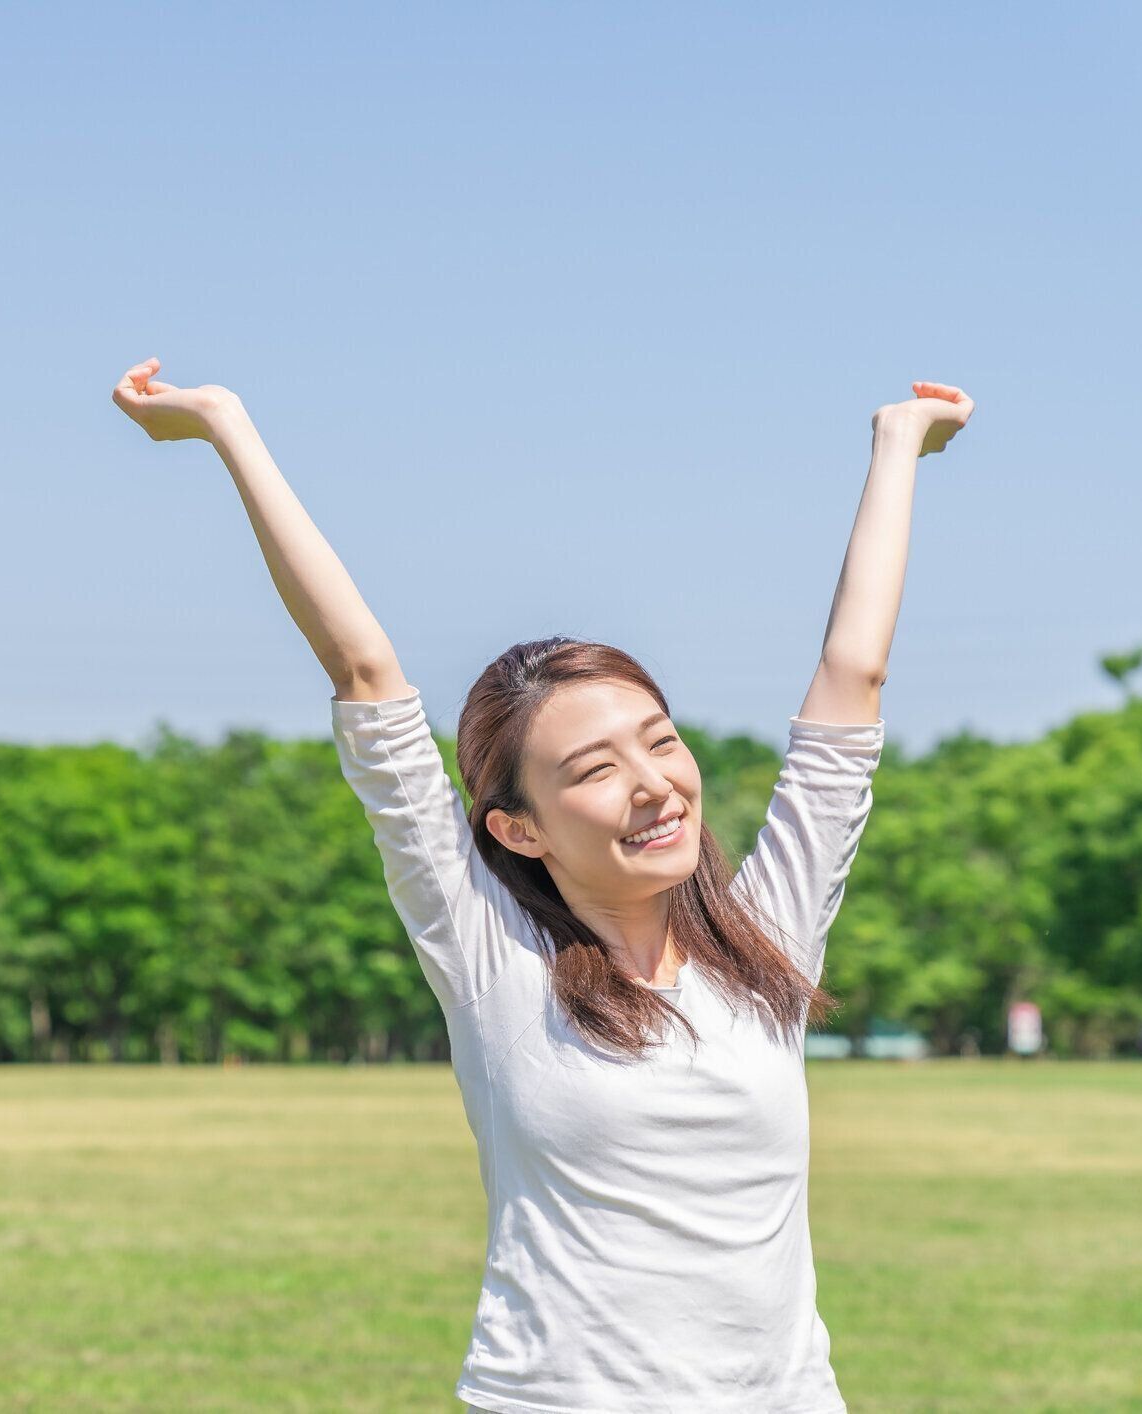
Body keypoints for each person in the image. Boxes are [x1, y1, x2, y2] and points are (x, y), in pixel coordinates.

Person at [111, 358, 973, 1412]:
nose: (655, 785)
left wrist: (899, 447)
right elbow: (367, 675)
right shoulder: (491, 959)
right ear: (518, 828)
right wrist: (224, 426)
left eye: (660, 742)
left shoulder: (769, 942)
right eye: (596, 770)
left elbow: (854, 677)